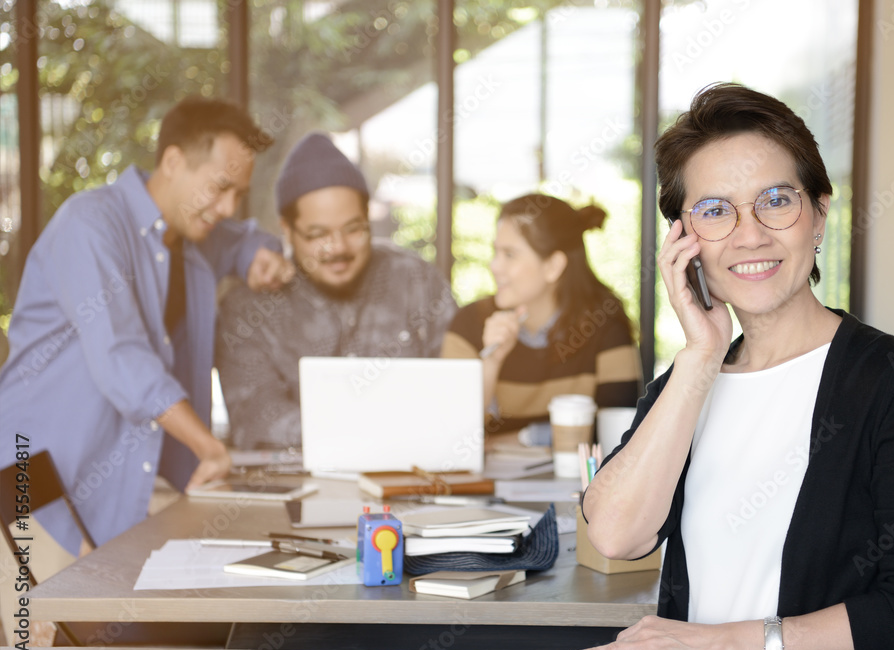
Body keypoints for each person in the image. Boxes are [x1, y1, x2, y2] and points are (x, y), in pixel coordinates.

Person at [574, 83, 894, 650]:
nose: (749, 234)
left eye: (776, 200)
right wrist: (699, 355)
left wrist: (721, 646)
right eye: (715, 211)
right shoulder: (689, 383)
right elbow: (615, 535)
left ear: (818, 216)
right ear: (684, 245)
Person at [0, 97, 292, 553]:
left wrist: (258, 253)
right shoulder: (91, 224)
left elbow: (245, 238)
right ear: (173, 161)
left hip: (117, 489)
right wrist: (209, 447)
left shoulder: (197, 235)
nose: (228, 207)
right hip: (32, 482)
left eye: (239, 193)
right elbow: (123, 359)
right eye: (220, 187)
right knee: (40, 623)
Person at [215, 132, 457, 450]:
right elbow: (256, 420)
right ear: (287, 230)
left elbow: (457, 393)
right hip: (296, 490)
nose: (338, 248)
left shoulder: (417, 282)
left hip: (412, 481)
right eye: (318, 235)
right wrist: (378, 430)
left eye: (354, 229)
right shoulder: (249, 309)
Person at [441, 194, 641, 436]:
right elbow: (451, 434)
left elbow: (620, 432)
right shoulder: (468, 324)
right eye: (495, 252)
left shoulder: (605, 327)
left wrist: (527, 438)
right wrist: (491, 363)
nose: (494, 266)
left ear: (553, 266)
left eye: (510, 255)